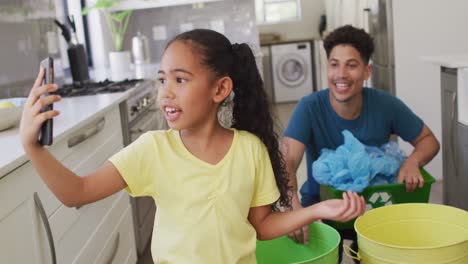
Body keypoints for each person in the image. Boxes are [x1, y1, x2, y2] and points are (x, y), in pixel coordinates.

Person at [20, 29, 366, 264]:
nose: (165, 92)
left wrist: (318, 211)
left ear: (220, 89)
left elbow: (261, 226)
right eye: (162, 80)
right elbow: (76, 192)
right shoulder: (151, 149)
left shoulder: (250, 150)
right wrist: (33, 147)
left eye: (180, 80)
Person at [282, 25, 440, 261]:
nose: (341, 74)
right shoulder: (310, 107)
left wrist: (412, 162)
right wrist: (293, 207)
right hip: (321, 206)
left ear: (367, 71)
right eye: (334, 64)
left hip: (373, 207)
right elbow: (288, 161)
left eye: (351, 65)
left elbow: (429, 141)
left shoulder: (386, 105)